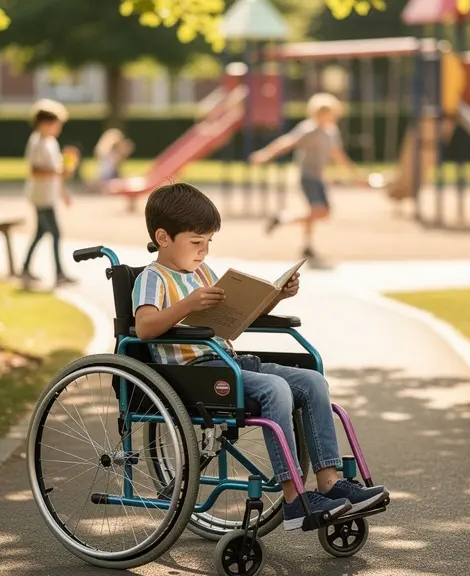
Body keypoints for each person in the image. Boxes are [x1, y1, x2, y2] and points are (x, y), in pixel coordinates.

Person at [131, 182, 389, 530]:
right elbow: (145, 328)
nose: (204, 251)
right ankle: (294, 499)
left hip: (229, 363)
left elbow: (234, 317)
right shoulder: (152, 278)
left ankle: (329, 483)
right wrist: (187, 305)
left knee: (313, 381)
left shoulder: (203, 274)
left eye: (209, 242)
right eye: (196, 242)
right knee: (275, 389)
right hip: (193, 373)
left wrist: (276, 297)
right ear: (163, 237)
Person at [250, 92, 368, 268]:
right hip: (308, 177)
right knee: (320, 211)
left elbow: (338, 155)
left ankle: (305, 244)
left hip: (319, 177)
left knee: (317, 212)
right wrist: (266, 154)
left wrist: (356, 175)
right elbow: (286, 142)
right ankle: (284, 220)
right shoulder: (308, 129)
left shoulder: (331, 131)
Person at [20, 98, 76, 287]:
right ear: (45, 123)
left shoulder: (50, 142)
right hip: (41, 197)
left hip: (48, 196)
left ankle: (25, 268)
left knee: (41, 232)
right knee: (55, 233)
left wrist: (63, 190)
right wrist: (57, 172)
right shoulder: (37, 142)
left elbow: (56, 172)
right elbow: (35, 170)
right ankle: (59, 272)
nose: (58, 128)